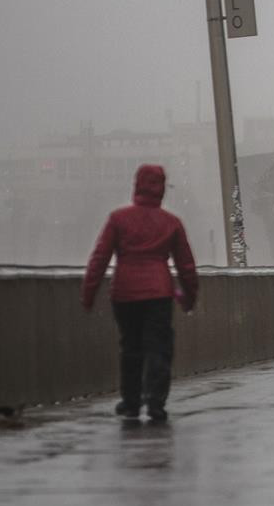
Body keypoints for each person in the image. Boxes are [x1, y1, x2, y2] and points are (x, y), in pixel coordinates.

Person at [80, 163, 198, 424]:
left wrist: (88, 293)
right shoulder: (171, 223)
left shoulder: (118, 219)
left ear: (137, 184)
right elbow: (186, 266)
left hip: (124, 292)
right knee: (159, 348)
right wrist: (189, 298)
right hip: (159, 293)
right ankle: (156, 401)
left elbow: (99, 258)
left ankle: (131, 402)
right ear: (162, 188)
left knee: (131, 347)